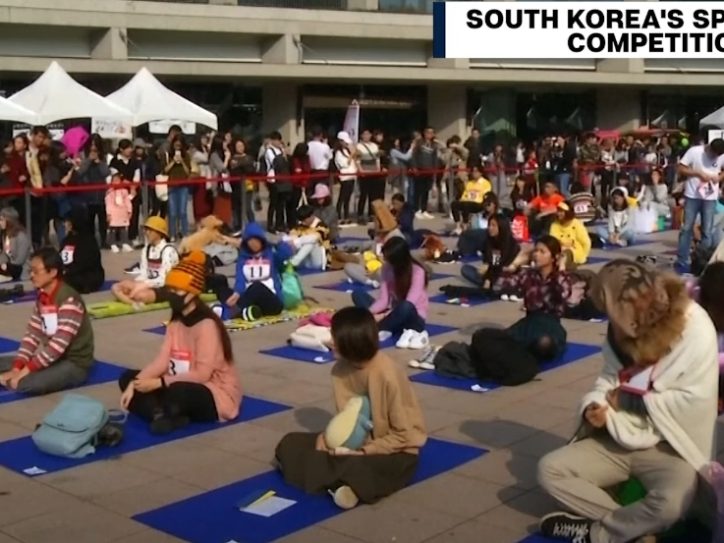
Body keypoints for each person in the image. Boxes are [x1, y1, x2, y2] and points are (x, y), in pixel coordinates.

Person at [538, 260, 718, 543]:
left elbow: (694, 399)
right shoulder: (619, 331)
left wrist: (630, 402)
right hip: (619, 434)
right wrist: (595, 405)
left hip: (671, 445)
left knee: (673, 503)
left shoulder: (694, 326)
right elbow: (608, 380)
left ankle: (597, 532)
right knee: (550, 470)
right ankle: (635, 530)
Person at [275, 306, 427, 509]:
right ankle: (341, 484)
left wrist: (364, 452)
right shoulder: (339, 371)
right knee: (290, 443)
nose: (331, 342)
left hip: (392, 450)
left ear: (350, 342)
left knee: (361, 468)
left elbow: (405, 435)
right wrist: (328, 439)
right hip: (353, 446)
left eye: (335, 338)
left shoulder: (387, 374)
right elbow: (347, 421)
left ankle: (346, 482)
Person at [118, 251, 242, 435]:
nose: (172, 295)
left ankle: (166, 410)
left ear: (192, 294)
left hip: (210, 391)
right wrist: (136, 383)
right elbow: (162, 360)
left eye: (177, 290)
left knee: (178, 392)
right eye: (171, 290)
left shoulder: (207, 325)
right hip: (175, 380)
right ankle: (161, 414)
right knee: (127, 377)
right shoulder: (176, 322)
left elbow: (202, 374)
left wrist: (160, 383)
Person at [0, 247, 94, 395]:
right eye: (31, 270)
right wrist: (17, 368)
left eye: (36, 271)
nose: (31, 275)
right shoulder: (43, 296)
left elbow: (57, 346)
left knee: (26, 384)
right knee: (11, 367)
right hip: (52, 358)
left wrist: (22, 373)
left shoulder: (69, 300)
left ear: (53, 272)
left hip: (73, 363)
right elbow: (32, 335)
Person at [497, 236, 571, 361]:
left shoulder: (561, 277)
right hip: (530, 323)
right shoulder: (528, 275)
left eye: (542, 252)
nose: (537, 255)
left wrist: (561, 268)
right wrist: (514, 265)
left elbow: (567, 296)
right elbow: (498, 286)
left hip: (551, 325)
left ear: (554, 257)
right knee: (495, 339)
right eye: (535, 251)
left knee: (544, 343)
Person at [351, 237, 430, 349]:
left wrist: (382, 316)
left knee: (405, 306)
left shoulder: (417, 271)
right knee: (358, 295)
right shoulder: (387, 269)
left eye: (390, 259)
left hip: (413, 316)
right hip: (393, 313)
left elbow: (411, 302)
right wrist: (369, 314)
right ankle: (382, 325)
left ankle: (380, 327)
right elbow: (383, 300)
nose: (386, 262)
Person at [215, 221, 293, 321]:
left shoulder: (271, 256)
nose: (253, 244)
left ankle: (230, 311)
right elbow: (240, 280)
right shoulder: (243, 259)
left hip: (272, 301)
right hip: (249, 299)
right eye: (250, 241)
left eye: (256, 240)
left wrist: (276, 240)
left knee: (256, 286)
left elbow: (286, 253)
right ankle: (245, 312)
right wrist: (237, 293)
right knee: (223, 290)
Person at [675, 138, 724, 272]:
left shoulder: (721, 155)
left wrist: (718, 178)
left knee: (707, 231)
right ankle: (682, 259)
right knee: (687, 228)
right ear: (709, 149)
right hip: (693, 195)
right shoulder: (695, 151)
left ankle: (700, 258)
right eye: (714, 155)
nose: (715, 158)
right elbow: (681, 168)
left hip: (710, 196)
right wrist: (697, 173)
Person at [111, 216, 179, 306]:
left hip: (166, 288)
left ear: (159, 233)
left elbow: (165, 279)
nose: (146, 233)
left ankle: (133, 301)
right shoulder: (146, 249)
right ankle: (133, 303)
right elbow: (144, 272)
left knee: (140, 295)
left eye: (150, 230)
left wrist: (143, 285)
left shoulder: (168, 250)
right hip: (148, 284)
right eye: (146, 230)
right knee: (116, 287)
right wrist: (136, 283)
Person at [461, 215, 521, 292]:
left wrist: (488, 279)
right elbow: (489, 262)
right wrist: (485, 267)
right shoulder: (490, 241)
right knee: (466, 269)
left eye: (493, 225)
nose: (490, 228)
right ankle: (490, 283)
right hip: (493, 271)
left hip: (505, 274)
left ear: (501, 227)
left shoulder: (511, 244)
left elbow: (498, 265)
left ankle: (492, 284)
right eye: (489, 225)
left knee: (494, 277)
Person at [60, 206, 105, 294]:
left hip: (87, 276)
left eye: (67, 222)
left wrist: (67, 271)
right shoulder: (67, 239)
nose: (65, 224)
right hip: (69, 273)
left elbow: (85, 263)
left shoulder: (88, 240)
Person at [162, 135, 194, 242]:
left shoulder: (187, 156)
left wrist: (182, 161)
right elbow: (165, 171)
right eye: (176, 143)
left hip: (183, 186)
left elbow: (188, 172)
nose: (177, 145)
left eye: (179, 143)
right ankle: (172, 234)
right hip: (171, 186)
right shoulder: (168, 155)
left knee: (183, 212)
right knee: (172, 212)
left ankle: (185, 234)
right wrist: (173, 161)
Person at [451, 165, 493, 235]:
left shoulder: (486, 183)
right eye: (473, 171)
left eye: (476, 171)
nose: (474, 173)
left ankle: (465, 225)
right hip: (468, 201)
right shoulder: (470, 183)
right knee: (454, 204)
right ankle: (458, 226)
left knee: (466, 205)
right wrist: (462, 200)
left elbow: (486, 195)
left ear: (480, 173)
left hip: (478, 202)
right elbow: (465, 194)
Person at [410, 127, 441, 219]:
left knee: (426, 191)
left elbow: (435, 158)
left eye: (431, 133)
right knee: (418, 190)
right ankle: (416, 209)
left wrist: (435, 169)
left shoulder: (434, 145)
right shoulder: (419, 143)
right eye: (428, 132)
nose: (429, 134)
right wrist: (414, 167)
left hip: (429, 171)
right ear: (424, 133)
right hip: (420, 170)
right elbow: (414, 155)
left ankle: (424, 209)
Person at [288, 205, 331, 271]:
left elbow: (315, 237)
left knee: (311, 241)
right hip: (305, 261)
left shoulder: (322, 225)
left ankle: (293, 263)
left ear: (311, 216)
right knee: (292, 240)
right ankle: (292, 262)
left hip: (319, 260)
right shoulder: (300, 225)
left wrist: (297, 241)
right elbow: (291, 235)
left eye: (304, 220)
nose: (303, 222)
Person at [550, 201, 592, 268]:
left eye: (561, 211)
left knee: (566, 253)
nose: (558, 214)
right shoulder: (554, 224)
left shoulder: (577, 224)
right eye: (558, 211)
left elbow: (586, 242)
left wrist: (584, 256)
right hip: (559, 252)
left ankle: (561, 270)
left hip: (575, 252)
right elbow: (552, 241)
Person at [356, 129, 382, 224]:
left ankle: (371, 214)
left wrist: (378, 169)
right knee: (363, 195)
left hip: (374, 172)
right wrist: (360, 170)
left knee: (373, 195)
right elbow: (357, 159)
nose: (366, 136)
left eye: (368, 134)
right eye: (364, 134)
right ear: (361, 136)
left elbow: (377, 159)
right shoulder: (358, 146)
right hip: (364, 172)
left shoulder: (375, 146)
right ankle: (360, 215)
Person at [105, 170, 134, 253]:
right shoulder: (109, 193)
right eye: (114, 181)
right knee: (113, 229)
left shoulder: (124, 191)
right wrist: (108, 214)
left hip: (122, 213)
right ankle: (113, 244)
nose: (116, 182)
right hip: (113, 213)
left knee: (123, 229)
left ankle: (124, 243)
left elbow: (128, 201)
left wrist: (129, 211)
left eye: (118, 180)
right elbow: (108, 204)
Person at [0, 206, 31, 282]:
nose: (0, 223)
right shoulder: (6, 235)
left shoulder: (21, 236)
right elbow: (5, 254)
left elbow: (19, 260)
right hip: (10, 273)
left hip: (23, 276)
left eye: (1, 220)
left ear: (9, 220)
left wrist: (6, 266)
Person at [334, 131, 358, 226]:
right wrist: (351, 155)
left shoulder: (347, 150)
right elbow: (343, 164)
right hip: (344, 176)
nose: (346, 144)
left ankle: (346, 216)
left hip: (352, 175)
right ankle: (339, 216)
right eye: (344, 142)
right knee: (342, 197)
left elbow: (354, 161)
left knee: (348, 197)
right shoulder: (338, 152)